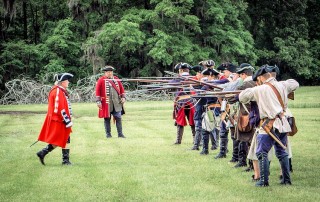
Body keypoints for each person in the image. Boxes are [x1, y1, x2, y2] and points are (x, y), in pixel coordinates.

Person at [239, 64, 299, 187]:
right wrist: (278, 83)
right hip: (282, 123)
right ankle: (286, 180)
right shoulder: (283, 85)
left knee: (261, 153)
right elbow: (295, 83)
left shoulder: (259, 89)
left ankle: (263, 181)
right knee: (282, 152)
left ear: (260, 78)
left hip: (268, 125)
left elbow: (242, 97)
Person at [36, 73, 74, 166]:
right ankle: (43, 152)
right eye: (67, 80)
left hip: (61, 119)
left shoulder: (60, 90)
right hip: (58, 120)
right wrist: (66, 120)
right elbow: (59, 107)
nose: (68, 82)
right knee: (59, 139)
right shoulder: (57, 91)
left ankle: (65, 160)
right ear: (62, 82)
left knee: (66, 138)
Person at [233, 63, 256, 168]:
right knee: (253, 141)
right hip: (256, 115)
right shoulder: (257, 83)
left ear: (244, 75)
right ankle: (251, 164)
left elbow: (231, 98)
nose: (240, 77)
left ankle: (244, 162)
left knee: (243, 139)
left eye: (240, 75)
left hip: (245, 116)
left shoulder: (243, 86)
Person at [95, 66, 126, 138]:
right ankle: (108, 134)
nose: (110, 73)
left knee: (118, 118)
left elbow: (122, 89)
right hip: (106, 103)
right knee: (107, 119)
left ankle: (120, 134)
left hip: (117, 103)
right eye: (108, 72)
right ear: (105, 73)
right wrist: (98, 101)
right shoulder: (101, 80)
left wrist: (123, 97)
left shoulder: (116, 79)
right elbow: (97, 91)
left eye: (111, 72)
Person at [172, 62, 196, 144]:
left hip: (182, 102)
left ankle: (178, 141)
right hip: (191, 102)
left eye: (179, 70)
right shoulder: (193, 78)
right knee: (192, 121)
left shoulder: (178, 78)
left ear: (181, 70)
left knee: (180, 121)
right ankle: (195, 140)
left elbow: (171, 85)